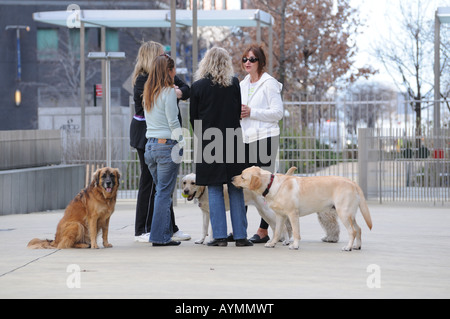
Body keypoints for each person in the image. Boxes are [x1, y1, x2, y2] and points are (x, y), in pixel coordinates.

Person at [190, 47, 253, 247]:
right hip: (233, 139)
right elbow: (237, 112)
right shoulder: (234, 83)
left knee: (215, 187)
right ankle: (241, 236)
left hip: (209, 141)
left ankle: (219, 237)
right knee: (236, 187)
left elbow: (193, 119)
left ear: (205, 62)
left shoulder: (198, 86)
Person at [130, 41, 190, 243]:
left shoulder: (151, 89)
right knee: (157, 188)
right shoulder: (148, 84)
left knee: (161, 189)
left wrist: (177, 92)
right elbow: (172, 119)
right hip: (162, 141)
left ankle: (166, 229)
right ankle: (147, 231)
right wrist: (182, 141)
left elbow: (185, 88)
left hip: (151, 142)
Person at [239, 44, 284, 244]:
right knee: (245, 184)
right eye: (245, 59)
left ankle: (265, 229)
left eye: (252, 59)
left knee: (264, 186)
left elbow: (278, 113)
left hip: (266, 138)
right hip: (246, 139)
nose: (247, 62)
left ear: (261, 62)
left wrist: (252, 112)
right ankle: (241, 230)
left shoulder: (269, 83)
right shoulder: (242, 84)